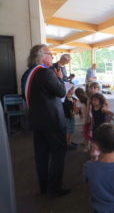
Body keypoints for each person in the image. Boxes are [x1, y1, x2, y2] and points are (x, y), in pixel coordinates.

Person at [21, 44, 69, 197]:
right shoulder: (46, 73)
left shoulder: (26, 74)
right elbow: (61, 92)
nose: (52, 57)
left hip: (36, 121)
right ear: (41, 56)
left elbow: (27, 96)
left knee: (41, 155)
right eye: (50, 54)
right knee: (58, 153)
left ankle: (43, 187)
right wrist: (60, 79)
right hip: (53, 122)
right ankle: (54, 189)